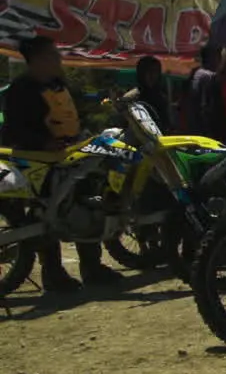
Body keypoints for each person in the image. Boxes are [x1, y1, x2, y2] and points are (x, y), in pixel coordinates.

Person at [0, 35, 121, 290]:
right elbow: (15, 129)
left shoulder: (58, 84)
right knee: (45, 212)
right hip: (38, 161)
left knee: (87, 202)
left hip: (72, 155)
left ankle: (92, 267)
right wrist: (43, 144)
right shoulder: (20, 90)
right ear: (38, 60)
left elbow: (76, 113)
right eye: (53, 55)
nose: (59, 59)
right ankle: (53, 274)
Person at [186, 45, 226, 141]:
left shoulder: (196, 73)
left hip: (193, 126)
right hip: (205, 131)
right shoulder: (209, 76)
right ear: (214, 57)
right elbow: (207, 107)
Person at [132, 55, 171, 134]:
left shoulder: (161, 97)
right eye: (148, 72)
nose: (152, 76)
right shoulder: (133, 97)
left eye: (155, 71)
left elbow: (166, 122)